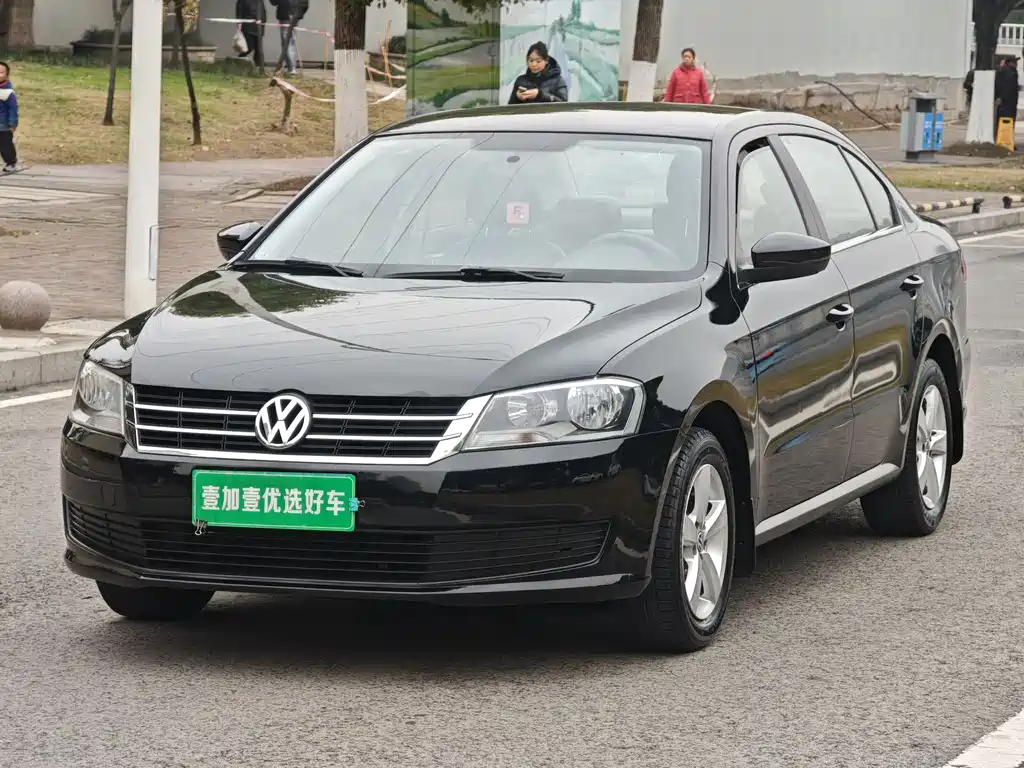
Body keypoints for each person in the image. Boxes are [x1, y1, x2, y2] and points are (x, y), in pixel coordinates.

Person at [268, 0, 309, 76]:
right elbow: (305, 4)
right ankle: (290, 67)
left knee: (287, 42)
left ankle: (291, 69)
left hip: (285, 14)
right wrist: (300, 14)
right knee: (291, 41)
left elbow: (274, 2)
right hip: (296, 14)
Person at [235, 0, 267, 69]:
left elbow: (263, 12)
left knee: (259, 49)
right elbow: (239, 12)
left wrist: (262, 22)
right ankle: (239, 61)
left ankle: (259, 66)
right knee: (248, 47)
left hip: (258, 28)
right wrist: (239, 25)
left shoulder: (260, 1)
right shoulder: (242, 1)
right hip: (248, 27)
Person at [0, 60, 19, 174]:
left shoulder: (8, 92)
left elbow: (13, 109)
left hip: (4, 125)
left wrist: (13, 123)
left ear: (7, 75)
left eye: (1, 73)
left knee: (5, 145)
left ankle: (11, 162)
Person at [995, 56, 1020, 126]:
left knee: (1005, 121)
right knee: (1006, 121)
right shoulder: (1009, 71)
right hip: (1007, 102)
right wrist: (1001, 97)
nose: (1016, 64)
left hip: (1007, 102)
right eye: (1014, 62)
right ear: (1009, 63)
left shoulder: (1007, 71)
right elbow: (1006, 86)